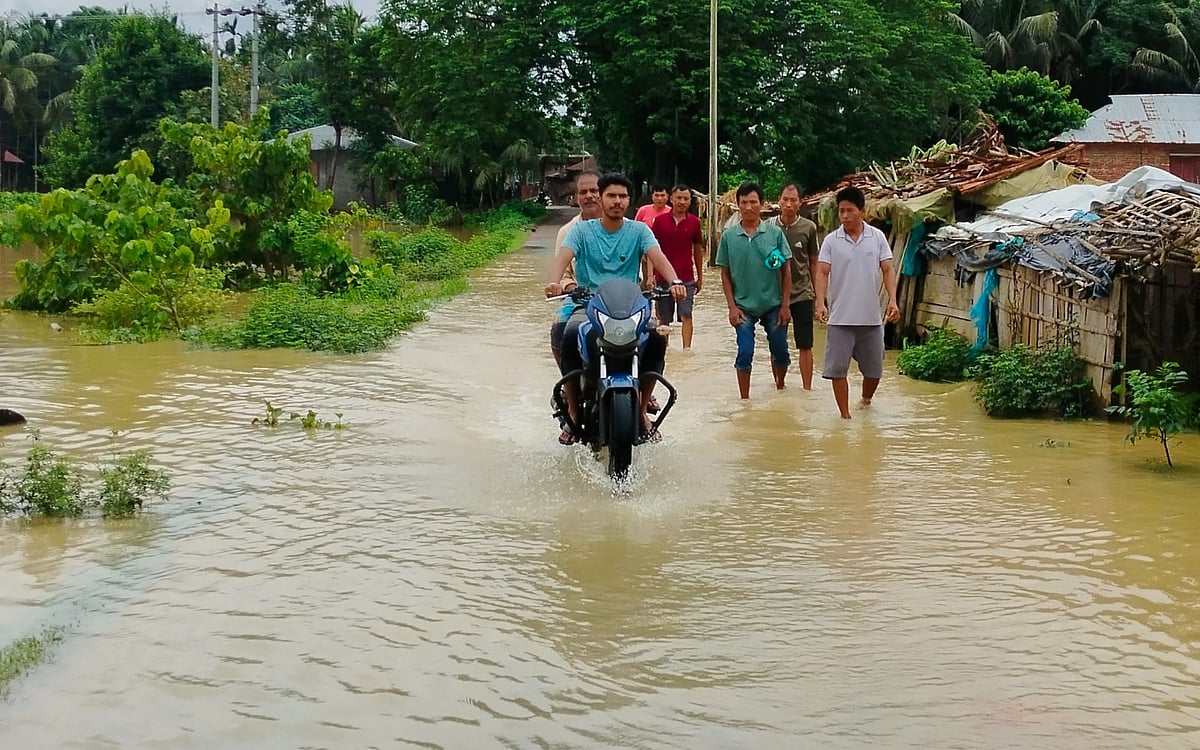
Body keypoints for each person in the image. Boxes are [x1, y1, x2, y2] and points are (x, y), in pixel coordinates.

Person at [545, 173, 687, 442]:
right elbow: (562, 258)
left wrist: (676, 280)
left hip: (630, 307)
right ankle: (574, 411)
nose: (617, 201)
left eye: (622, 196)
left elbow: (659, 258)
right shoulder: (580, 231)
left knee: (657, 335)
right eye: (611, 196)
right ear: (601, 198)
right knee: (566, 331)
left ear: (629, 201)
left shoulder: (639, 231)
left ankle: (642, 408)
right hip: (586, 305)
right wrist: (553, 281)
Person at [813, 186, 900, 419]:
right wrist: (820, 303)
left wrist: (893, 300)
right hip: (840, 318)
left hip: (871, 318)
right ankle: (845, 416)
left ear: (862, 211)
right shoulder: (832, 241)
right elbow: (822, 272)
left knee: (875, 371)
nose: (844, 216)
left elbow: (888, 269)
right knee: (837, 371)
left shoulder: (877, 237)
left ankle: (865, 400)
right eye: (841, 211)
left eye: (849, 210)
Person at [716, 182, 792, 399]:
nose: (748, 207)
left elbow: (786, 270)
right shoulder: (730, 237)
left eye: (753, 202)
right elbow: (725, 274)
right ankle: (744, 400)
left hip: (773, 304)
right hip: (743, 306)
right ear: (738, 205)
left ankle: (780, 388)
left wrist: (785, 305)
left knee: (781, 352)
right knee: (745, 351)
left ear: (762, 204)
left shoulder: (774, 233)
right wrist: (731, 307)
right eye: (744, 202)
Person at [767, 183, 820, 389]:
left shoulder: (809, 228)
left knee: (805, 344)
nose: (788, 204)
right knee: (777, 344)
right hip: (776, 296)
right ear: (779, 201)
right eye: (785, 200)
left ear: (800, 203)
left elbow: (813, 261)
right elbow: (766, 261)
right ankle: (779, 386)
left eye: (793, 200)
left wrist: (818, 295)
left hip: (803, 293)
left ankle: (807, 389)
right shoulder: (769, 227)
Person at [549, 170, 603, 369]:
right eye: (583, 192)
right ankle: (568, 382)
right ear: (576, 198)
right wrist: (571, 287)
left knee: (652, 332)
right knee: (559, 327)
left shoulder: (623, 226)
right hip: (581, 299)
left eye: (594, 190)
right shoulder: (567, 231)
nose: (589, 196)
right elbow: (562, 274)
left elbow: (636, 272)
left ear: (603, 193)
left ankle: (643, 388)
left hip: (619, 301)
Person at [650, 184, 705, 350]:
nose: (682, 201)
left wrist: (700, 277)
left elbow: (698, 251)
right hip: (662, 278)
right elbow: (652, 249)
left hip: (686, 278)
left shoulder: (695, 223)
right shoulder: (659, 222)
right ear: (671, 199)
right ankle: (663, 351)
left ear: (690, 201)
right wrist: (650, 274)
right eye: (679, 198)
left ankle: (686, 350)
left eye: (686, 198)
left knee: (686, 315)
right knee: (663, 319)